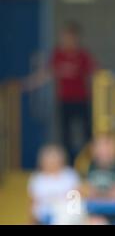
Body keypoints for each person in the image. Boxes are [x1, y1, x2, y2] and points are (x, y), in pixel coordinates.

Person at [24, 21, 97, 165]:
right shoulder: (58, 54)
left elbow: (96, 72)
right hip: (64, 101)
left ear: (75, 38)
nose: (66, 40)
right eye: (64, 37)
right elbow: (46, 73)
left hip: (82, 100)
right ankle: (69, 164)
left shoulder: (82, 55)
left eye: (69, 37)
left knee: (87, 133)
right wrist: (28, 84)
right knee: (66, 135)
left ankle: (91, 162)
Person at [28, 143, 81, 224]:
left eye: (54, 158)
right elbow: (33, 204)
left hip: (67, 214)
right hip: (44, 216)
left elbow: (76, 200)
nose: (52, 161)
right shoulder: (37, 179)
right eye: (48, 158)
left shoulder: (70, 175)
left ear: (61, 160)